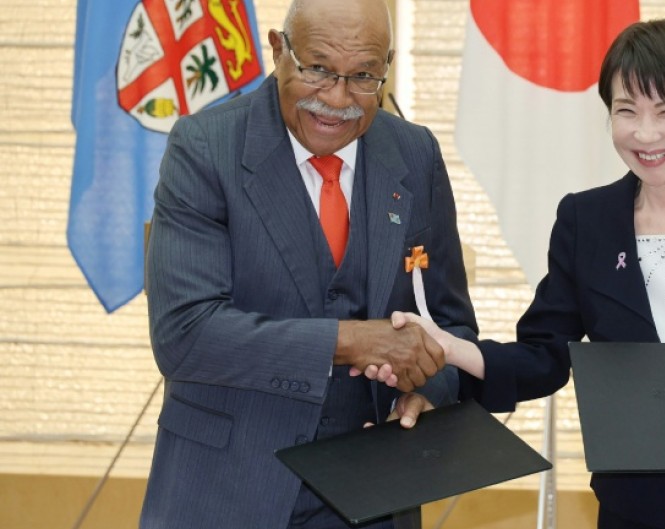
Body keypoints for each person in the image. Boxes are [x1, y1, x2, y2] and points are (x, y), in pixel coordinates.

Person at [388, 18, 665, 529]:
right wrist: (449, 347)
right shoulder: (587, 220)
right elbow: (545, 354)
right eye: (627, 111)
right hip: (638, 501)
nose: (644, 134)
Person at [141, 0, 477, 527]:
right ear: (279, 50)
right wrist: (352, 340)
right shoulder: (205, 148)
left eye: (363, 76)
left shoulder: (414, 154)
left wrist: (427, 393)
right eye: (317, 69)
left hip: (375, 495)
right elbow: (185, 336)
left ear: (386, 66)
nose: (337, 99)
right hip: (228, 491)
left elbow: (451, 324)